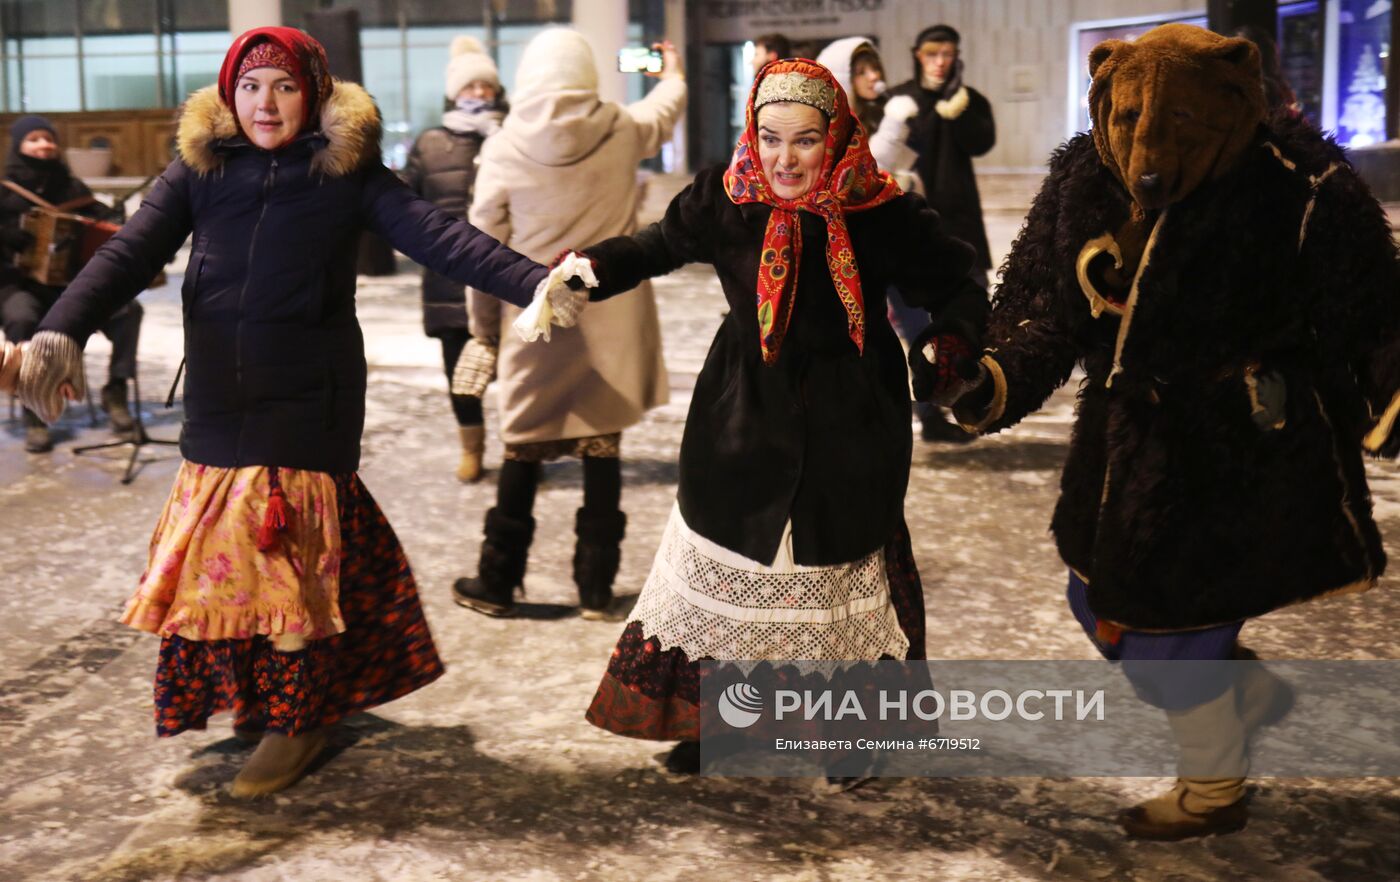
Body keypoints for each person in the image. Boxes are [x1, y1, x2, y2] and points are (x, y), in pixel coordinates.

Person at [14, 26, 580, 799]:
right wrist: (60, 330)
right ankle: (266, 701)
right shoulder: (198, 170)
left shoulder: (344, 173)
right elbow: (128, 252)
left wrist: (536, 283)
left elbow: (440, 237)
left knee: (286, 568)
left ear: (311, 93)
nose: (265, 103)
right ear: (228, 93)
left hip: (307, 403)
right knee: (227, 565)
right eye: (250, 87)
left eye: (282, 86)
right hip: (219, 398)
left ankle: (300, 722)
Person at [916, 23, 1398, 839]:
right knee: (1096, 596)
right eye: (1132, 118)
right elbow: (1041, 310)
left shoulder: (1301, 183)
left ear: (1234, 95)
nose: (1147, 151)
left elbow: (1371, 308)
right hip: (1121, 442)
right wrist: (985, 377)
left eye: (1175, 125)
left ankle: (1212, 791)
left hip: (1240, 441)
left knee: (1177, 627)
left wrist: (1384, 395)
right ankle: (1234, 696)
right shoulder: (1083, 178)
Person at [572, 58, 986, 774]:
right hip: (743, 408)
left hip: (851, 413)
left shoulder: (882, 209)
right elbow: (659, 245)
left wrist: (948, 340)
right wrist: (593, 268)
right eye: (769, 138)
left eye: (804, 141)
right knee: (735, 561)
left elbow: (958, 280)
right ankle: (720, 725)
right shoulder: (726, 198)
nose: (784, 158)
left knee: (833, 567)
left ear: (837, 136)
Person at [451, 28, 685, 621]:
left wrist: (484, 331)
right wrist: (675, 74)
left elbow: (480, 249)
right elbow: (663, 111)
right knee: (602, 445)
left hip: (535, 322)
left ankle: (499, 581)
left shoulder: (503, 146)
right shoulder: (620, 129)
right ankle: (596, 589)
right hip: (610, 315)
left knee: (523, 448)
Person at [0, 116, 142, 453]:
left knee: (129, 312)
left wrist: (116, 219)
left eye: (48, 139)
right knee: (23, 319)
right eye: (34, 139)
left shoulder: (73, 188)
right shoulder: (4, 192)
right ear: (19, 146)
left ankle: (116, 390)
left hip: (70, 288)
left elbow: (100, 217)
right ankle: (32, 406)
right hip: (18, 286)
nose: (44, 145)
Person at [402, 36, 507, 483]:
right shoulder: (429, 144)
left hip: (507, 274)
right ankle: (473, 448)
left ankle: (524, 448)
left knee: (519, 373)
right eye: (470, 86)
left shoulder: (513, 138)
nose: (478, 93)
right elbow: (401, 200)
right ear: (454, 91)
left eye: (486, 86)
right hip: (448, 278)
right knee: (460, 373)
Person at [887, 24, 995, 442]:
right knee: (918, 327)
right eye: (932, 53)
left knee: (973, 318)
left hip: (961, 223)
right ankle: (930, 414)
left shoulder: (969, 102)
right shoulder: (899, 100)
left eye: (947, 54)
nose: (940, 61)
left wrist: (959, 102)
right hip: (911, 229)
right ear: (917, 54)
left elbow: (981, 142)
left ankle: (975, 398)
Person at [815, 37, 887, 134]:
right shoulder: (826, 127)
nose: (874, 76)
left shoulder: (880, 114)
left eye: (875, 68)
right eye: (861, 72)